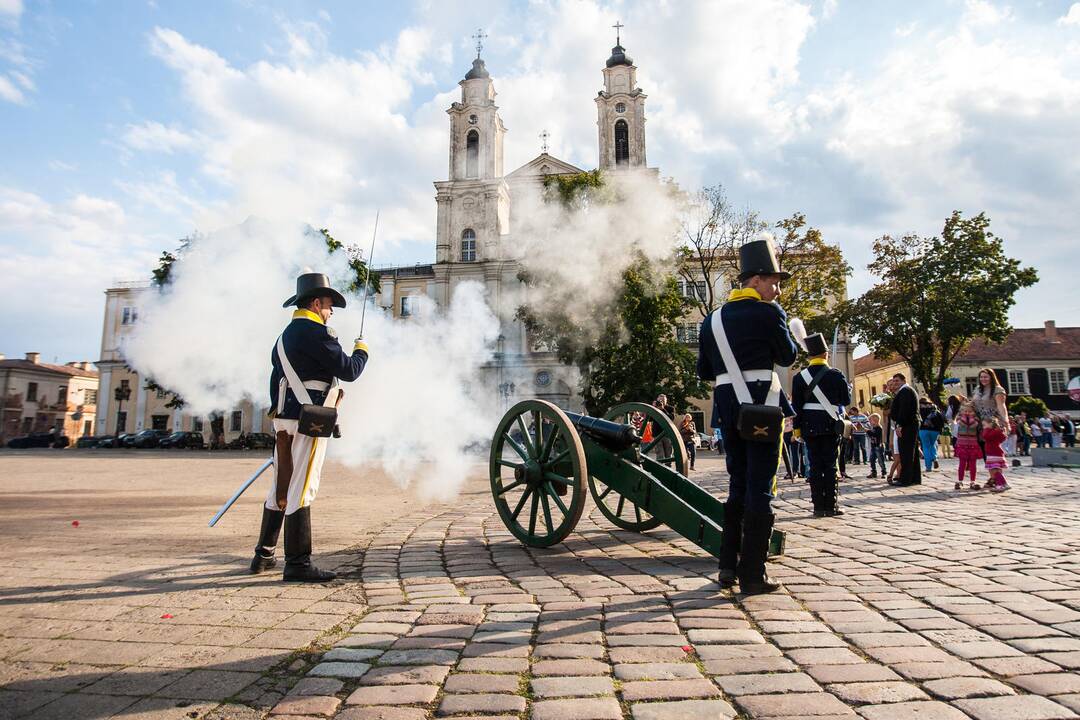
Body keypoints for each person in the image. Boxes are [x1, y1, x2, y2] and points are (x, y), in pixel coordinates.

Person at [250, 272, 370, 582]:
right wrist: (362, 351)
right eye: (329, 306)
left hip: (284, 420)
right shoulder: (317, 333)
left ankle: (263, 555)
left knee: (281, 484)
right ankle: (298, 564)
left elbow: (276, 381)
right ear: (316, 304)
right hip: (309, 420)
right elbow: (349, 371)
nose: (330, 312)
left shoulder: (285, 336)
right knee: (302, 488)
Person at [697, 238, 798, 595]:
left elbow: (705, 371)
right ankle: (753, 573)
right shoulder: (770, 313)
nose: (778, 289)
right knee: (760, 487)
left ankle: (727, 565)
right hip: (761, 407)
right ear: (754, 280)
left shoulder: (712, 320)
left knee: (737, 485)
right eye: (774, 281)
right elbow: (786, 357)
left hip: (728, 408)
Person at [791, 333, 851, 517]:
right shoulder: (836, 375)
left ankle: (818, 506)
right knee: (830, 465)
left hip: (809, 426)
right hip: (830, 424)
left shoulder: (799, 378)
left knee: (815, 466)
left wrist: (797, 428)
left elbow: (797, 407)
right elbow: (845, 400)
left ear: (810, 356)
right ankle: (830, 506)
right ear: (826, 354)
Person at [887, 373, 921, 486]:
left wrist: (899, 425)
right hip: (911, 424)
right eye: (894, 381)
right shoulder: (906, 391)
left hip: (907, 425)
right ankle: (915, 478)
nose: (895, 383)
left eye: (897, 381)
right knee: (912, 452)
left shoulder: (905, 391)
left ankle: (905, 479)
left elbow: (904, 410)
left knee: (906, 453)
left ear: (903, 380)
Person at [954, 401, 981, 490]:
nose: (967, 412)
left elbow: (972, 426)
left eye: (969, 411)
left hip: (973, 443)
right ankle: (960, 480)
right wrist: (965, 416)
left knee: (973, 464)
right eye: (965, 411)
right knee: (962, 463)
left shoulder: (976, 418)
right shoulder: (959, 417)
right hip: (962, 443)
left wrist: (971, 417)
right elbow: (963, 423)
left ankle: (972, 481)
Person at [917, 398, 945, 472]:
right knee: (932, 444)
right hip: (935, 431)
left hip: (923, 430)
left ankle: (928, 467)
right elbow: (941, 420)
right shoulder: (935, 409)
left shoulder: (919, 410)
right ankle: (935, 458)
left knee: (926, 447)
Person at [982, 418, 1009, 492]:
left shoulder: (991, 432)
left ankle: (1000, 485)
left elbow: (985, 436)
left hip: (993, 453)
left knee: (994, 470)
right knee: (997, 470)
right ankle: (1004, 484)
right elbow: (1003, 438)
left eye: (984, 425)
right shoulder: (997, 431)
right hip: (997, 453)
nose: (983, 427)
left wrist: (987, 429)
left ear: (990, 424)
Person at [867, 413, 887, 479]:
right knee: (871, 460)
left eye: (870, 420)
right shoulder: (873, 428)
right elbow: (871, 436)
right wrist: (868, 431)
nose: (869, 421)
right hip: (873, 446)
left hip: (879, 446)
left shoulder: (879, 428)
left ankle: (884, 472)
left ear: (875, 420)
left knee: (880, 460)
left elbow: (875, 435)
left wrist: (868, 431)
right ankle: (873, 472)